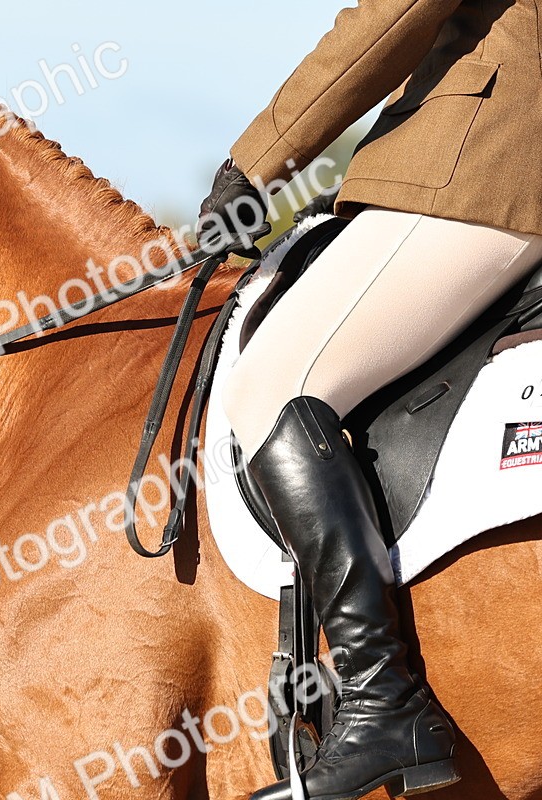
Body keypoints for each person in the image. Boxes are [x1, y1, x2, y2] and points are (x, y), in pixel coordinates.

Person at [196, 2, 542, 799]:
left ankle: (382, 700)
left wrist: (258, 165)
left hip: (490, 160)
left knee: (273, 385)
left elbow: (398, 12)